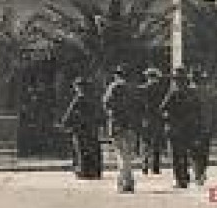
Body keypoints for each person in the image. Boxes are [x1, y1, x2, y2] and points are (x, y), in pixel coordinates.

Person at [161, 68, 204, 189]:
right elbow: (198, 111)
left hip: (175, 129)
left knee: (176, 156)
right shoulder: (192, 93)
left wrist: (167, 117)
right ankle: (185, 177)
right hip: (189, 128)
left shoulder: (173, 93)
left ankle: (181, 180)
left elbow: (163, 109)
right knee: (184, 154)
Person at [103, 66, 143, 194]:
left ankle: (124, 182)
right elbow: (140, 106)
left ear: (117, 75)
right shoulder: (134, 88)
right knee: (128, 155)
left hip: (118, 124)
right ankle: (129, 181)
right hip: (132, 124)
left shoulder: (114, 86)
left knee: (121, 154)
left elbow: (106, 103)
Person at [59, 77, 104, 180]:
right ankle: (95, 171)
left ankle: (83, 171)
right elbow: (100, 113)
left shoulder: (78, 99)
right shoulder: (94, 99)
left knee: (81, 150)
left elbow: (70, 114)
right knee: (93, 149)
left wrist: (64, 124)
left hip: (80, 129)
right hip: (92, 129)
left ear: (78, 87)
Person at [189, 69, 217, 186]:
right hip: (207, 125)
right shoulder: (210, 92)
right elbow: (214, 111)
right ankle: (202, 172)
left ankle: (197, 173)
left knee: (193, 150)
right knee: (204, 150)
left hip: (193, 126)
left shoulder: (190, 92)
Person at [139, 68, 167, 176]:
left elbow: (140, 104)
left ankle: (145, 166)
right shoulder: (162, 89)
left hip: (146, 118)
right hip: (158, 118)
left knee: (145, 143)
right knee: (156, 143)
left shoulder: (143, 89)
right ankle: (155, 167)